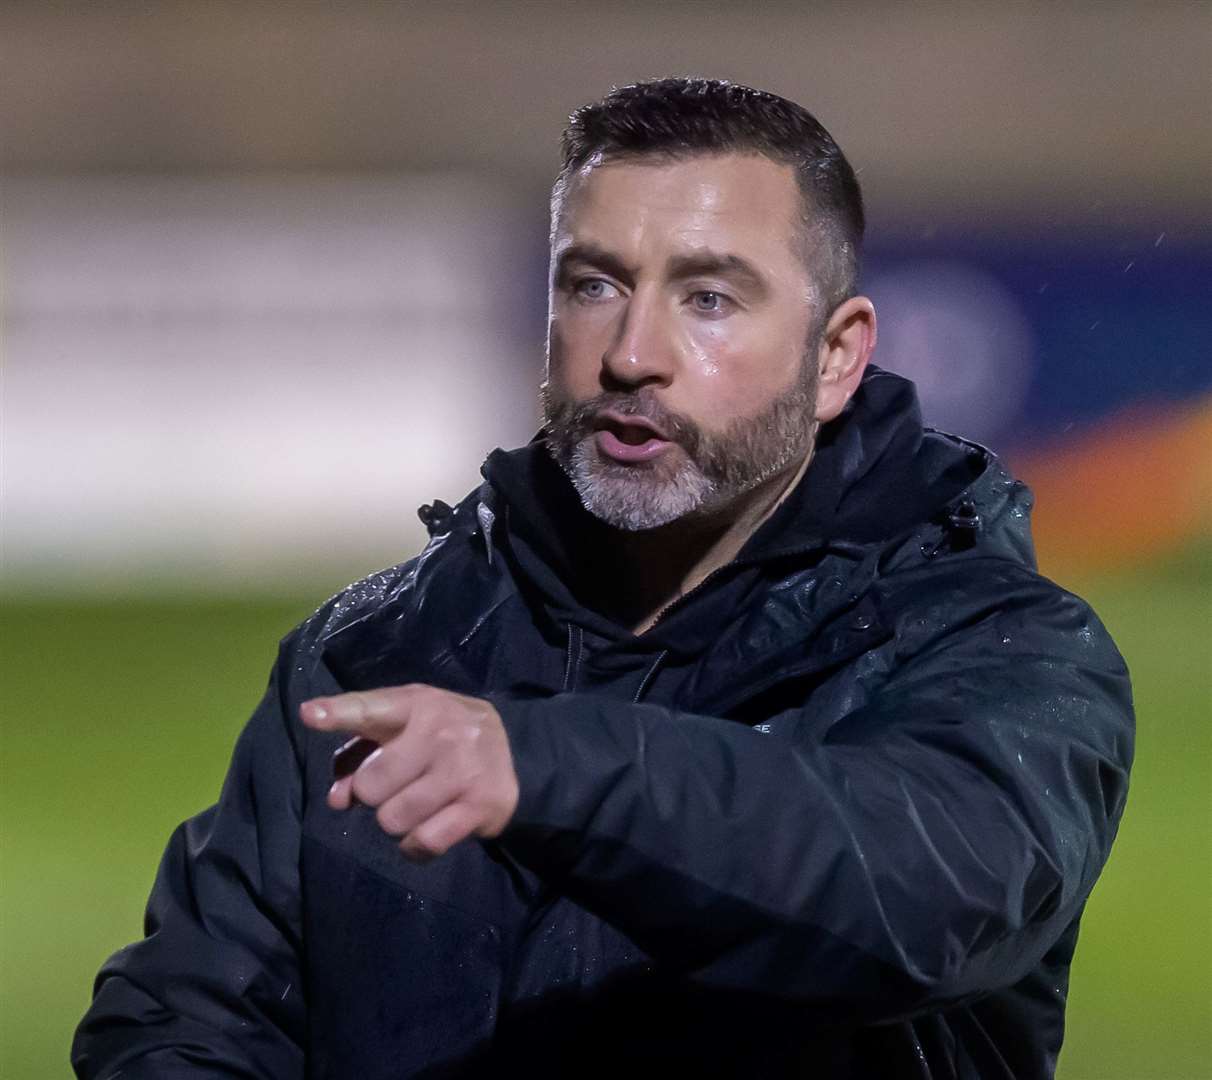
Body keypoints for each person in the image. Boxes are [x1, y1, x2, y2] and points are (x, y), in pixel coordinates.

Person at [72, 79, 1133, 1079]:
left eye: (709, 299)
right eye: (594, 285)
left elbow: (924, 899)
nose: (631, 354)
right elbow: (190, 1015)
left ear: (835, 357)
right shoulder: (376, 651)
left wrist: (546, 769)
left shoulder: (1001, 648)